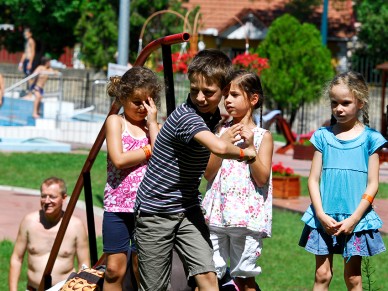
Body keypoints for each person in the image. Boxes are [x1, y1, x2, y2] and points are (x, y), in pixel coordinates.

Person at [134, 49, 257, 291]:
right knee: (155, 288)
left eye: (208, 92)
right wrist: (246, 153)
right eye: (194, 90)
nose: (200, 97)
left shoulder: (213, 118)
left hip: (188, 208)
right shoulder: (187, 117)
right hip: (156, 211)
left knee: (208, 278)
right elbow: (218, 148)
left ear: (223, 91)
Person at [298, 71, 387, 290]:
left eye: (345, 103)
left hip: (356, 220)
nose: (339, 108)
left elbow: (373, 184)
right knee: (322, 275)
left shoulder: (371, 139)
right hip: (324, 219)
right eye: (334, 103)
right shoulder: (323, 136)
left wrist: (354, 219)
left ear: (361, 103)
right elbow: (313, 179)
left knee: (354, 278)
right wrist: (320, 214)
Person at [202, 70, 273, 291]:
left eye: (234, 95)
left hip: (245, 220)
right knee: (208, 275)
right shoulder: (219, 131)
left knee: (244, 279)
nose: (228, 100)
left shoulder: (263, 137)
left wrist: (251, 148)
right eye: (226, 95)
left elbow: (262, 179)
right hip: (217, 217)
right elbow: (208, 173)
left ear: (253, 99)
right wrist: (221, 143)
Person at [103, 66, 162, 290]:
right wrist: (147, 151)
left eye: (147, 102)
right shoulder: (116, 122)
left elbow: (160, 155)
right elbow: (118, 159)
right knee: (113, 270)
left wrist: (154, 123)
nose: (142, 108)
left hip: (146, 207)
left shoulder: (153, 126)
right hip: (117, 206)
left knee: (141, 269)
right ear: (123, 97)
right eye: (136, 101)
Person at [9, 177, 90, 291]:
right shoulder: (29, 222)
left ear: (64, 198)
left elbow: (84, 265)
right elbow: (17, 258)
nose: (47, 201)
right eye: (43, 196)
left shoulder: (76, 226)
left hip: (65, 289)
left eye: (52, 197)